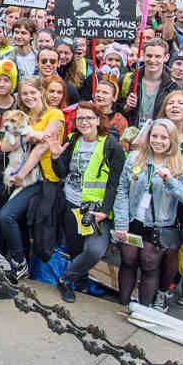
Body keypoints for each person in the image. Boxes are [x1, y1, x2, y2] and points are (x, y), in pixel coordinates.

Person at [112, 118, 183, 309]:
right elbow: (122, 191)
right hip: (134, 220)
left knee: (149, 266)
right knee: (128, 261)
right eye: (154, 136)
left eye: (164, 137)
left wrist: (171, 181)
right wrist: (120, 223)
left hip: (159, 226)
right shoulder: (134, 157)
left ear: (172, 140)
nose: (158, 141)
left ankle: (143, 310)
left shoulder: (181, 167)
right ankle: (123, 304)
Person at [50, 103, 126, 303]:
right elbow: (62, 172)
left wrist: (105, 209)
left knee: (94, 250)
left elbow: (115, 182)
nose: (84, 122)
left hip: (96, 210)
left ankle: (65, 280)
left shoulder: (112, 146)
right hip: (71, 205)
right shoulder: (73, 140)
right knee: (75, 249)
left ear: (99, 120)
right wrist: (56, 157)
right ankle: (80, 282)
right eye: (80, 118)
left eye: (89, 118)